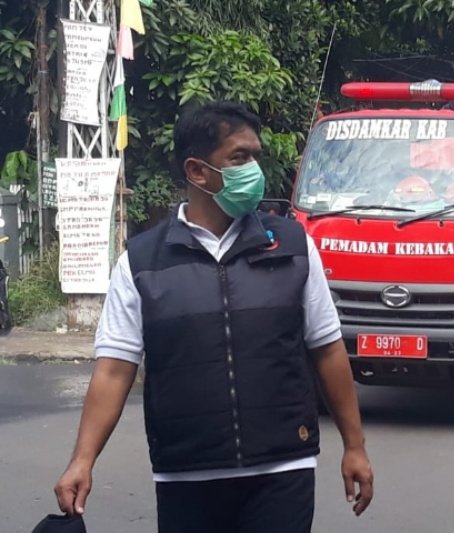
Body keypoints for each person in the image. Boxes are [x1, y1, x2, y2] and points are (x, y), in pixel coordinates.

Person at [53, 102, 373, 532]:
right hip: (187, 475)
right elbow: (114, 369)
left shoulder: (293, 246)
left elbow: (327, 349)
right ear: (197, 171)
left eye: (256, 156)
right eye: (239, 158)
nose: (254, 169)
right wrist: (82, 460)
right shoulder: (143, 262)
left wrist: (355, 446)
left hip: (282, 470)